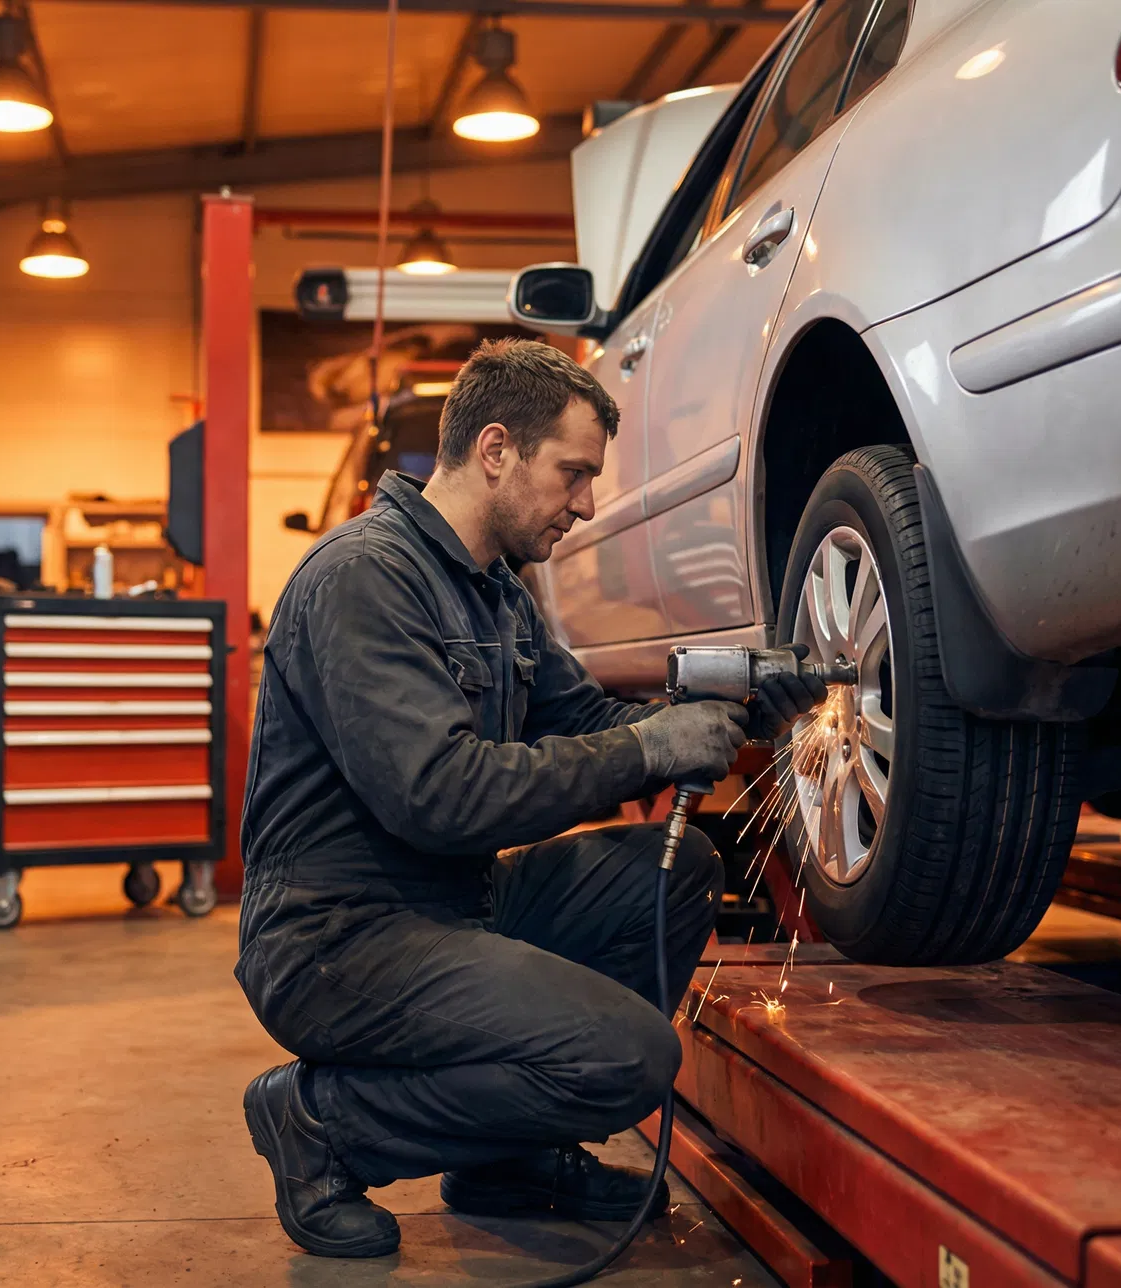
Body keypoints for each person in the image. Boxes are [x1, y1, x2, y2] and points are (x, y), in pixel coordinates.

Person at [236, 338, 826, 1258]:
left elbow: (586, 719)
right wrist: (645, 745)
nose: (587, 504)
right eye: (574, 473)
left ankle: (507, 1159)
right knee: (627, 1057)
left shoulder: (496, 594)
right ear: (497, 450)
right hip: (335, 940)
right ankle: (324, 1125)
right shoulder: (364, 579)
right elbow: (441, 798)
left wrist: (735, 708)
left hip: (450, 908)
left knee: (672, 872)